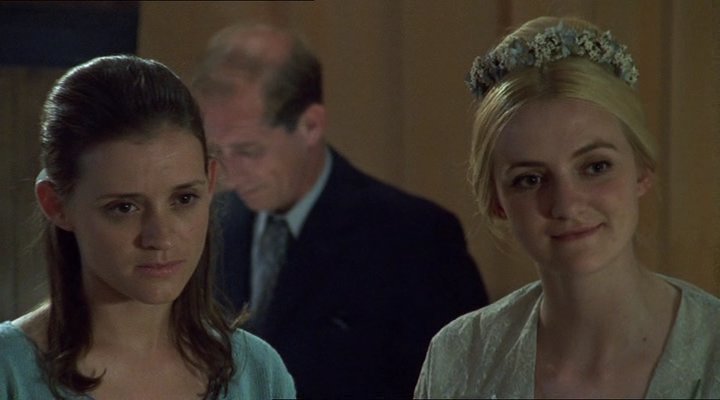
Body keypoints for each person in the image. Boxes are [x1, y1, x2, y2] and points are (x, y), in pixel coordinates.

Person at [414, 16, 720, 398]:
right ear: (497, 202)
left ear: (642, 171)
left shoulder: (711, 351)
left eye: (595, 167)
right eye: (530, 179)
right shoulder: (461, 357)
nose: (566, 204)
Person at [191, 23, 489, 398]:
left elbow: (462, 385)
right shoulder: (207, 226)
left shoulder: (415, 240)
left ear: (311, 125)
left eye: (248, 151)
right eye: (217, 152)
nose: (228, 175)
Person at [0, 55, 295, 399]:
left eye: (184, 199)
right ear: (56, 204)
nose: (161, 237)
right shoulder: (10, 374)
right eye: (124, 207)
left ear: (210, 183)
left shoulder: (258, 374)